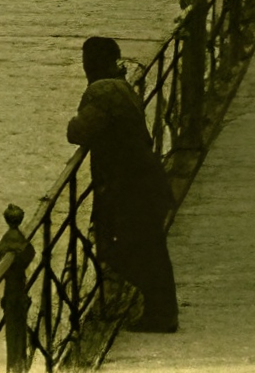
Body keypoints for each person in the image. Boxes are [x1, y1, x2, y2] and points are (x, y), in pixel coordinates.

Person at [65, 36, 178, 333]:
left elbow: (78, 130)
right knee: (150, 247)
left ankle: (161, 312)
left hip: (132, 185)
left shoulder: (102, 91)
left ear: (93, 63)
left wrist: (74, 121)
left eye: (86, 59)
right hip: (144, 178)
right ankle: (161, 312)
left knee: (125, 250)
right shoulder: (122, 86)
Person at [0, 203, 35, 373]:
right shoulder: (22, 243)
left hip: (11, 291)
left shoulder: (5, 243)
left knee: (13, 328)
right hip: (19, 288)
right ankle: (19, 367)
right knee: (19, 326)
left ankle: (13, 369)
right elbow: (29, 253)